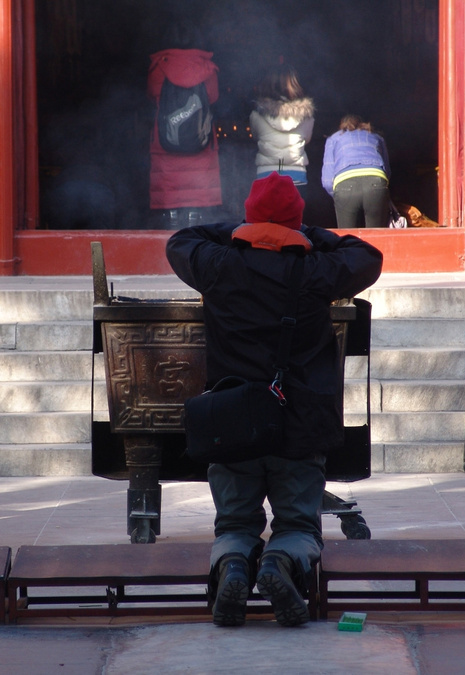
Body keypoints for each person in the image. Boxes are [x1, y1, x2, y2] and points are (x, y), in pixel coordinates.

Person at [166, 172, 382, 627]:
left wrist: (243, 230)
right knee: (299, 524)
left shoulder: (218, 264)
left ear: (248, 218)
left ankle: (233, 567)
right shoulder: (316, 270)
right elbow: (367, 254)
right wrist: (303, 236)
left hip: (232, 420)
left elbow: (182, 239)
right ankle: (279, 564)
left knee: (234, 525)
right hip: (298, 422)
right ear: (297, 222)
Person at [147, 23, 223, 229]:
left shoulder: (158, 68)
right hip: (201, 144)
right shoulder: (208, 69)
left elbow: (152, 95)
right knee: (197, 213)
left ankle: (170, 226)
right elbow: (213, 98)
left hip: (166, 146)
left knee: (171, 203)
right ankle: (194, 224)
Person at [249, 65, 315, 195]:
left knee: (268, 215)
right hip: (296, 176)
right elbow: (307, 140)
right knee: (294, 215)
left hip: (266, 175)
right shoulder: (307, 117)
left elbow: (255, 137)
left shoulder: (256, 116)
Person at [321, 115, 392, 228]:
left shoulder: (333, 139)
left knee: (348, 239)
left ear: (341, 126)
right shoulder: (376, 137)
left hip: (344, 185)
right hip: (376, 182)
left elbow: (327, 180)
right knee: (376, 236)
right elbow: (387, 171)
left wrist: (338, 195)